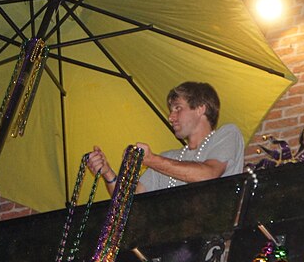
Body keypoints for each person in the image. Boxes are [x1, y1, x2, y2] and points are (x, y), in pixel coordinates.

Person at [87, 81, 245, 194]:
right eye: (171, 110)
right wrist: (107, 173)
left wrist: (151, 160)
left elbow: (208, 174)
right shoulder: (167, 158)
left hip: (209, 240)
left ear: (200, 109)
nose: (171, 117)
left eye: (178, 108)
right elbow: (129, 200)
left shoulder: (227, 134)